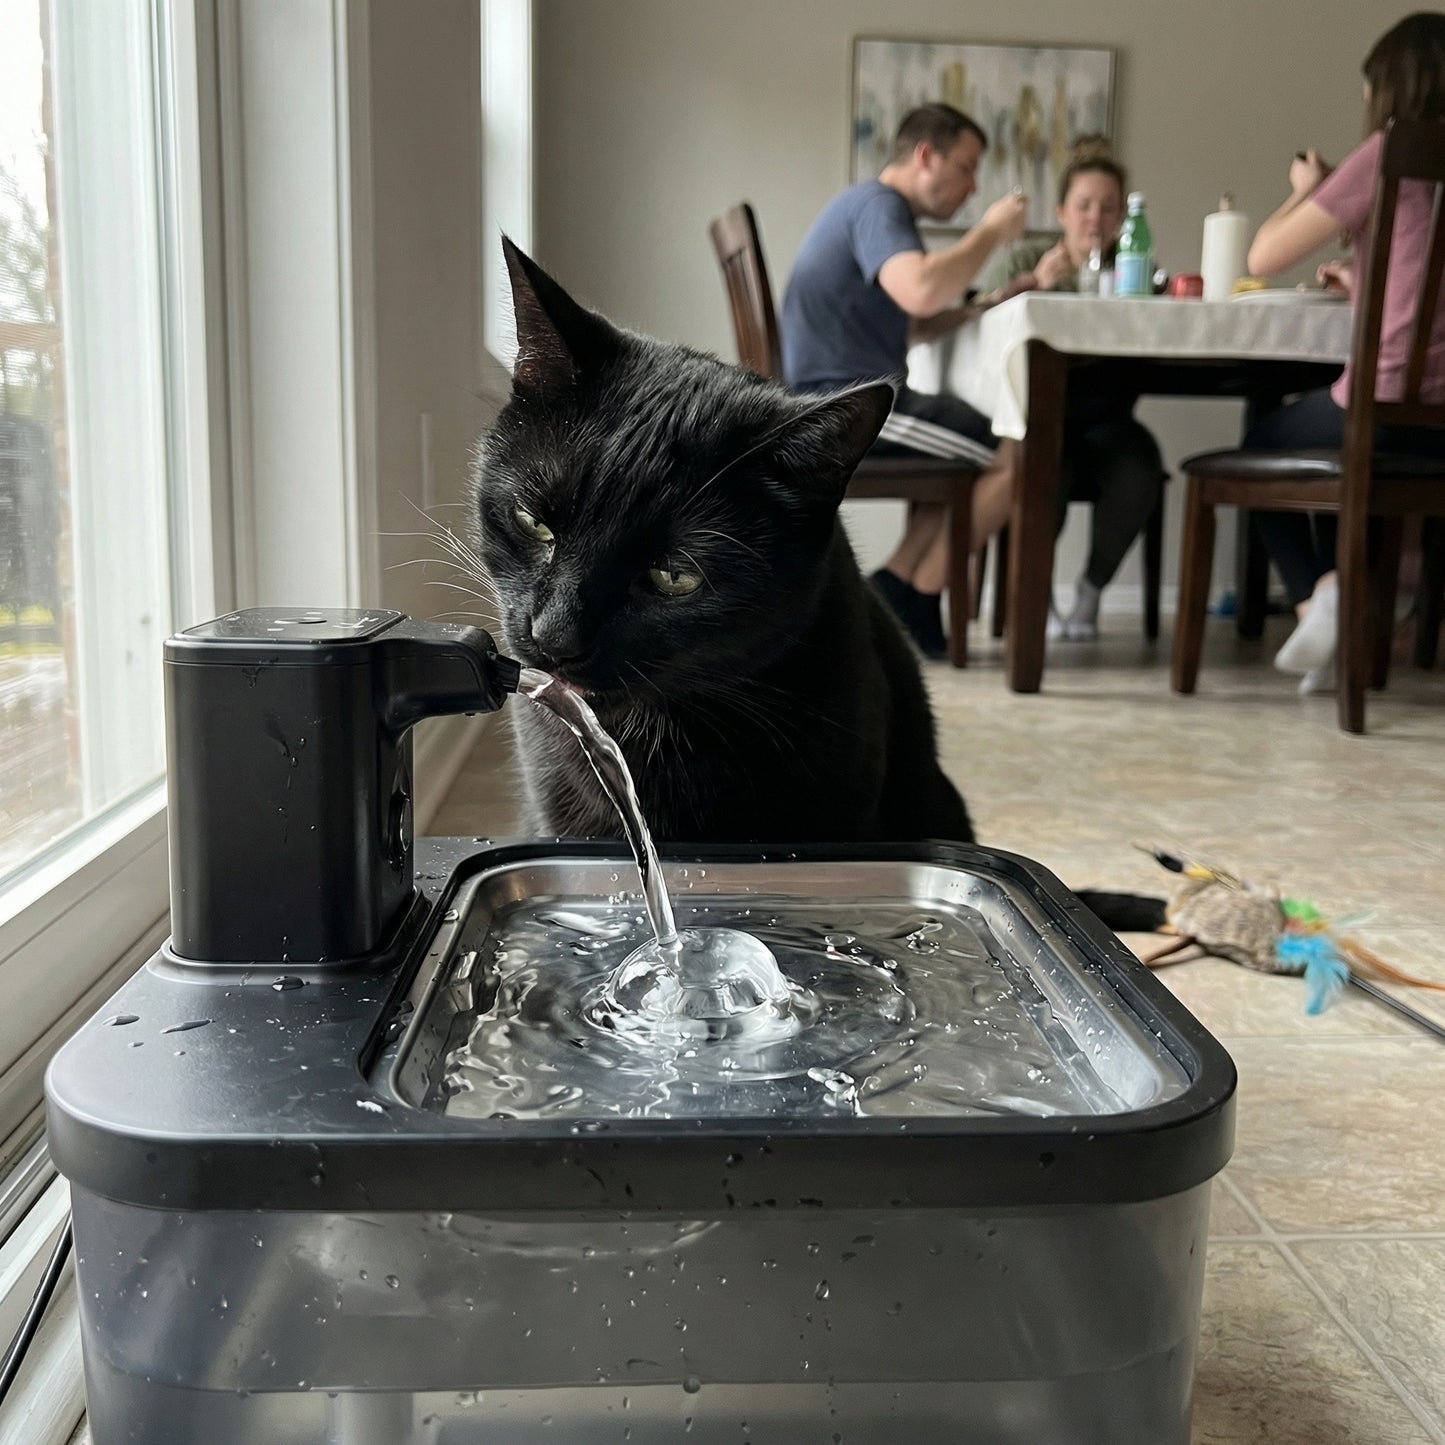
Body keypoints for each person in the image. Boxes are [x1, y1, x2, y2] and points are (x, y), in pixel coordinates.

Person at [1243, 11, 1445, 693]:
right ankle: (1355, 610)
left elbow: (1262, 256)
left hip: (1385, 404)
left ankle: (1321, 596)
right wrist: (1364, 279)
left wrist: (1306, 191)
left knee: (1260, 444)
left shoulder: (1385, 153)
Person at [781, 103, 1028, 658]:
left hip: (836, 398)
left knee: (976, 452)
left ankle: (895, 590)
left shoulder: (864, 207)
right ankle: (915, 593)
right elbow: (920, 289)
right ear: (925, 156)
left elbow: (914, 319)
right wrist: (989, 231)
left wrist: (982, 305)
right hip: (848, 405)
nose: (971, 186)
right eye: (965, 167)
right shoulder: (879, 205)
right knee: (1021, 456)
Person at [978, 137, 1167, 640]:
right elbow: (980, 325)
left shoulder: (1138, 272)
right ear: (1061, 211)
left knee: (1140, 468)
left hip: (1109, 422)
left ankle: (1089, 592)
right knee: (1044, 473)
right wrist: (1035, 284)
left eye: (1109, 208)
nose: (1095, 220)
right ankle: (1035, 599)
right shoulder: (1024, 259)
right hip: (1038, 419)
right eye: (1084, 206)